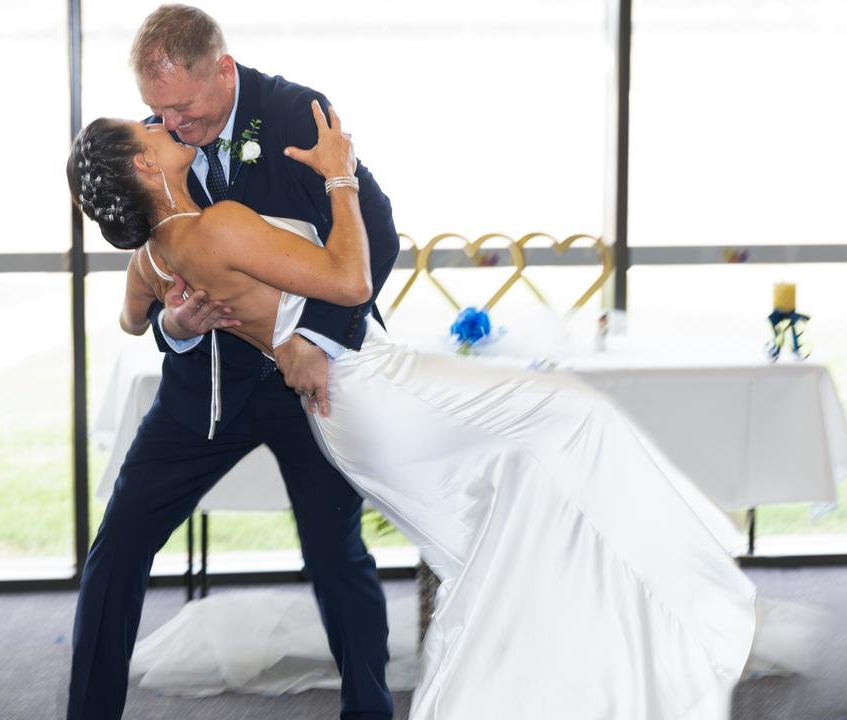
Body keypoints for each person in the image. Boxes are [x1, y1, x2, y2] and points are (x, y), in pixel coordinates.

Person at [66, 95, 799, 717]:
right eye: (152, 131)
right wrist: (340, 179)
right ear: (142, 166)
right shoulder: (217, 224)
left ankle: (574, 666)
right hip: (375, 388)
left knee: (503, 521)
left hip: (348, 410)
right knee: (577, 417)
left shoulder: (154, 258)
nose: (164, 124)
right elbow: (351, 282)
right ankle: (685, 607)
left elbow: (137, 319)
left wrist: (192, 323)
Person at [65, 5, 401, 720]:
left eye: (182, 109)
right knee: (117, 548)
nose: (170, 124)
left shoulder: (294, 113)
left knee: (334, 554)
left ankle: (368, 712)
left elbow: (374, 234)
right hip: (201, 391)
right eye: (155, 113)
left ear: (222, 69)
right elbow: (147, 286)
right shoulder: (160, 145)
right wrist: (176, 326)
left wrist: (314, 339)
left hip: (304, 382)